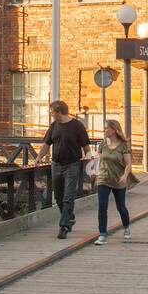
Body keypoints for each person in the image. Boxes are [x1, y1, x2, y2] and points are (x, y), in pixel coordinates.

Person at [35, 100, 90, 240]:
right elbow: (47, 143)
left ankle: (64, 226)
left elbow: (86, 146)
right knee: (58, 196)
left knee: (68, 196)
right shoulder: (54, 126)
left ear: (58, 112)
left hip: (72, 164)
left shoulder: (77, 126)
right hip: (57, 164)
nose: (51, 114)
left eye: (52, 112)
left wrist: (91, 164)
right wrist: (39, 157)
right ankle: (69, 217)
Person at [94, 119, 137, 245]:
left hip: (118, 179)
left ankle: (126, 226)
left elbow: (128, 164)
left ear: (113, 130)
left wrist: (125, 175)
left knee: (121, 207)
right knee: (102, 206)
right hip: (104, 178)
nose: (104, 130)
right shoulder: (103, 144)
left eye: (106, 128)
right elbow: (100, 161)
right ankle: (102, 234)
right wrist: (97, 176)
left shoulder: (123, 145)